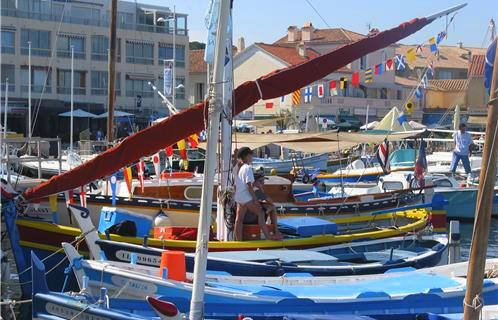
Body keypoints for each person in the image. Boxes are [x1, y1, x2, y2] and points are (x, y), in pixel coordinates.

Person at [233, 147, 278, 241]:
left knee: (239, 219)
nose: (252, 157)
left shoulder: (240, 168)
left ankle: (238, 241)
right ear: (247, 156)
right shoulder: (248, 167)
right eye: (251, 155)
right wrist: (255, 200)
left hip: (239, 196)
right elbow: (249, 185)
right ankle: (268, 237)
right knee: (260, 213)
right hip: (246, 197)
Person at [243, 172, 283, 239]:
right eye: (260, 181)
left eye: (263, 181)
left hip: (246, 217)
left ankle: (274, 231)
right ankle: (275, 231)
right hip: (250, 219)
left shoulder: (247, 189)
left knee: (267, 206)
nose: (263, 183)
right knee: (272, 207)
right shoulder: (257, 191)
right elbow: (271, 201)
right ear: (254, 182)